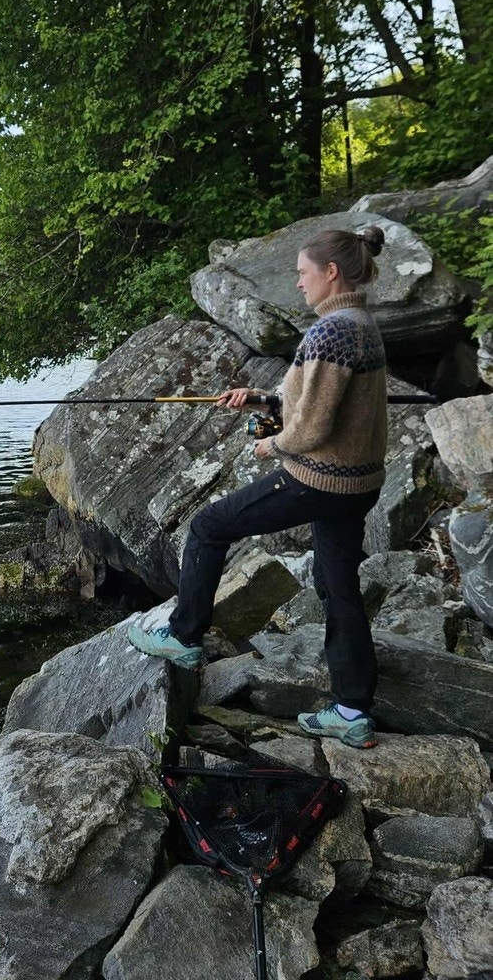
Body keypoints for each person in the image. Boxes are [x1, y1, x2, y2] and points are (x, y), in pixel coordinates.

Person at [128, 225, 388, 749]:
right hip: (359, 483)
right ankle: (351, 710)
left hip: (321, 479)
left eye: (302, 273)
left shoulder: (331, 332)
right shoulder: (360, 323)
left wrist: (273, 445)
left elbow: (312, 430)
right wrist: (265, 402)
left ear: (330, 272)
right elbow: (322, 403)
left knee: (208, 526)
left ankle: (182, 638)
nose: (298, 284)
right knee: (338, 588)